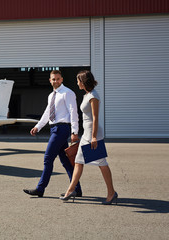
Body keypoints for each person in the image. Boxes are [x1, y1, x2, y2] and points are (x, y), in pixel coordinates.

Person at [60, 70, 118, 205]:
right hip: (86, 134)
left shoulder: (93, 96)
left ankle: (111, 193)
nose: (77, 83)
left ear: (83, 82)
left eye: (78, 81)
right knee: (78, 162)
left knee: (102, 164)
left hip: (94, 135)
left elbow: (95, 118)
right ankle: (70, 190)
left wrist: (93, 137)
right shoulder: (86, 95)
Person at [23, 70, 82, 197]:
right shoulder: (51, 95)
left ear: (62, 80)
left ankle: (40, 188)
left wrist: (74, 131)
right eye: (53, 79)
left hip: (62, 129)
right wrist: (38, 126)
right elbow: (46, 113)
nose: (56, 81)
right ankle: (77, 189)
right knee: (65, 161)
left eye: (58, 79)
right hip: (53, 129)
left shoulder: (68, 93)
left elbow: (73, 112)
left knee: (48, 158)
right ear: (50, 80)